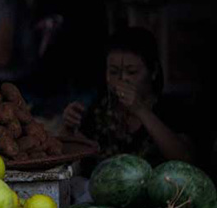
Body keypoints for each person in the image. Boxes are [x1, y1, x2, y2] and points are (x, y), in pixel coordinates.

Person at [62, 28, 194, 167]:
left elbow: (185, 159)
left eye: (132, 72)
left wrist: (140, 109)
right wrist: (68, 129)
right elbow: (68, 157)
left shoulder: (170, 109)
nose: (122, 79)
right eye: (113, 72)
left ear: (153, 72)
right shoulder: (98, 110)